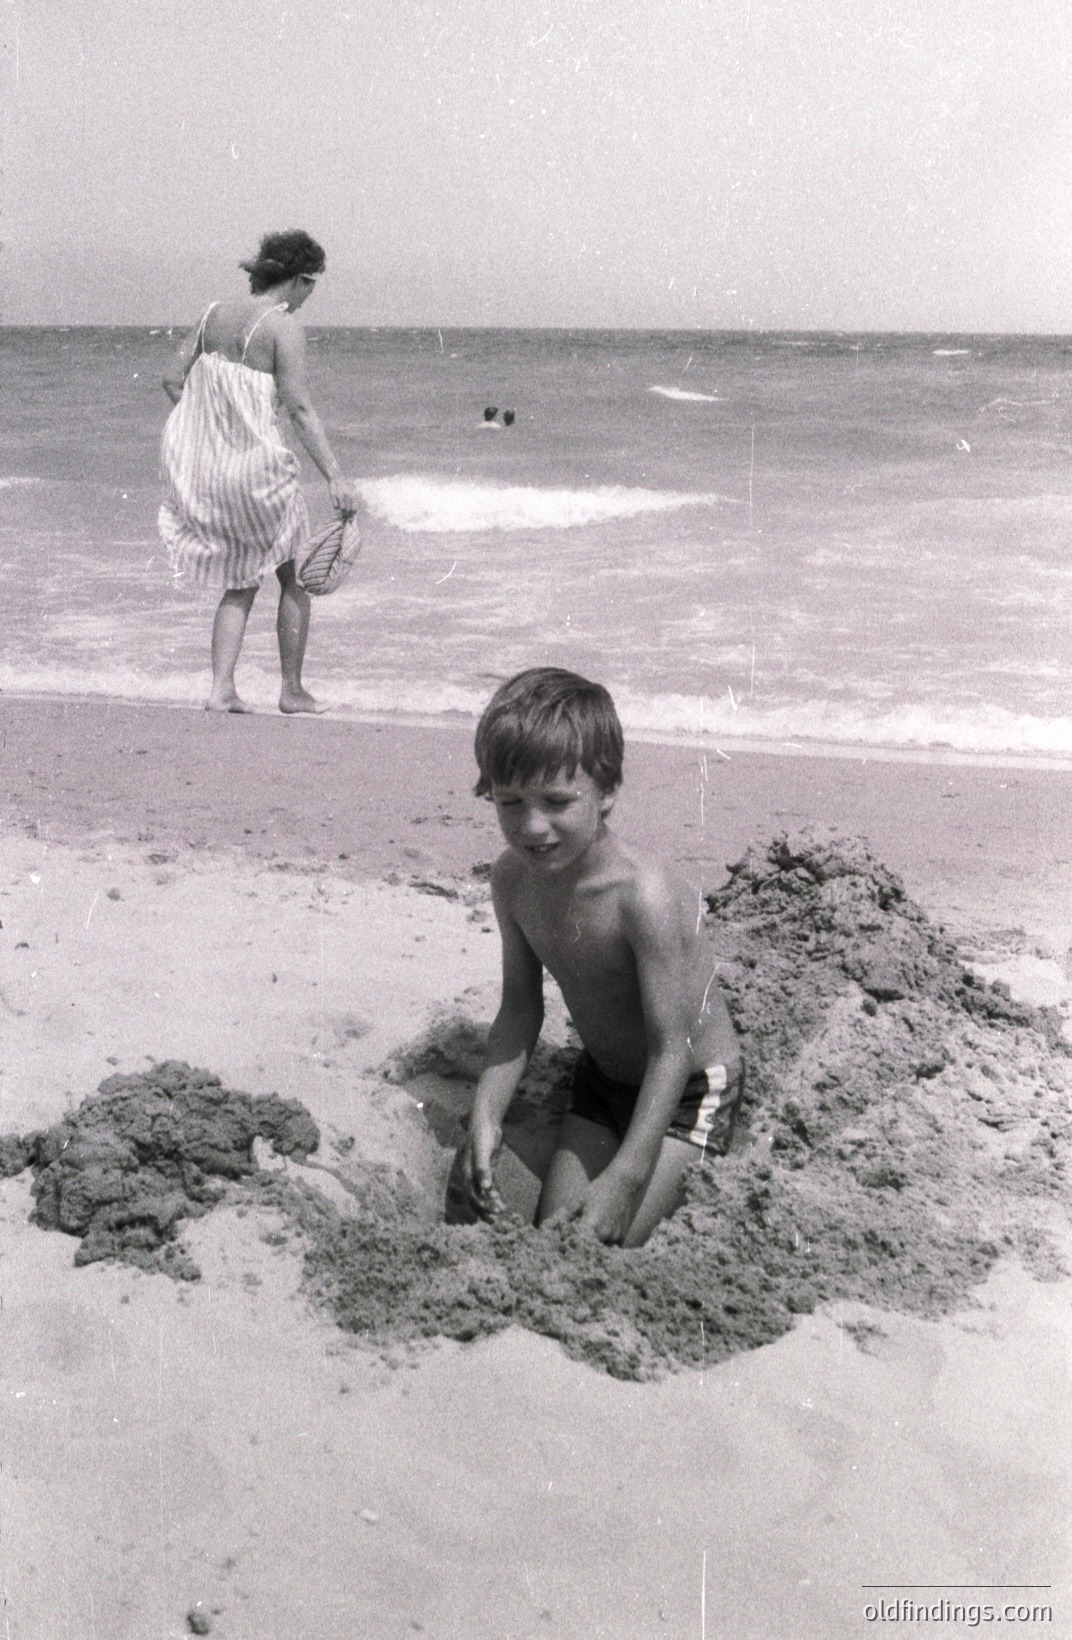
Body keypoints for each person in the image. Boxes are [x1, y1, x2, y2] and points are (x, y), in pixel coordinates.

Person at [462, 667, 742, 1247]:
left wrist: (627, 1174)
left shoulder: (644, 896)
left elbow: (672, 1048)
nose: (532, 826)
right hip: (603, 1079)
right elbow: (519, 1009)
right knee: (553, 1231)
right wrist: (485, 1117)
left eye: (557, 801)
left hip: (690, 1085)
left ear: (608, 790)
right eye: (509, 801)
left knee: (596, 1244)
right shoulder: (512, 881)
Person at [159, 229, 358, 714]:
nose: (311, 295)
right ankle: (291, 690)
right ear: (300, 278)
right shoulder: (283, 328)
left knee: (241, 578)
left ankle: (221, 688)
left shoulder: (211, 316)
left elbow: (171, 380)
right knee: (293, 579)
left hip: (211, 471)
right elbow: (300, 410)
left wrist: (212, 430)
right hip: (262, 472)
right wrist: (335, 475)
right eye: (312, 284)